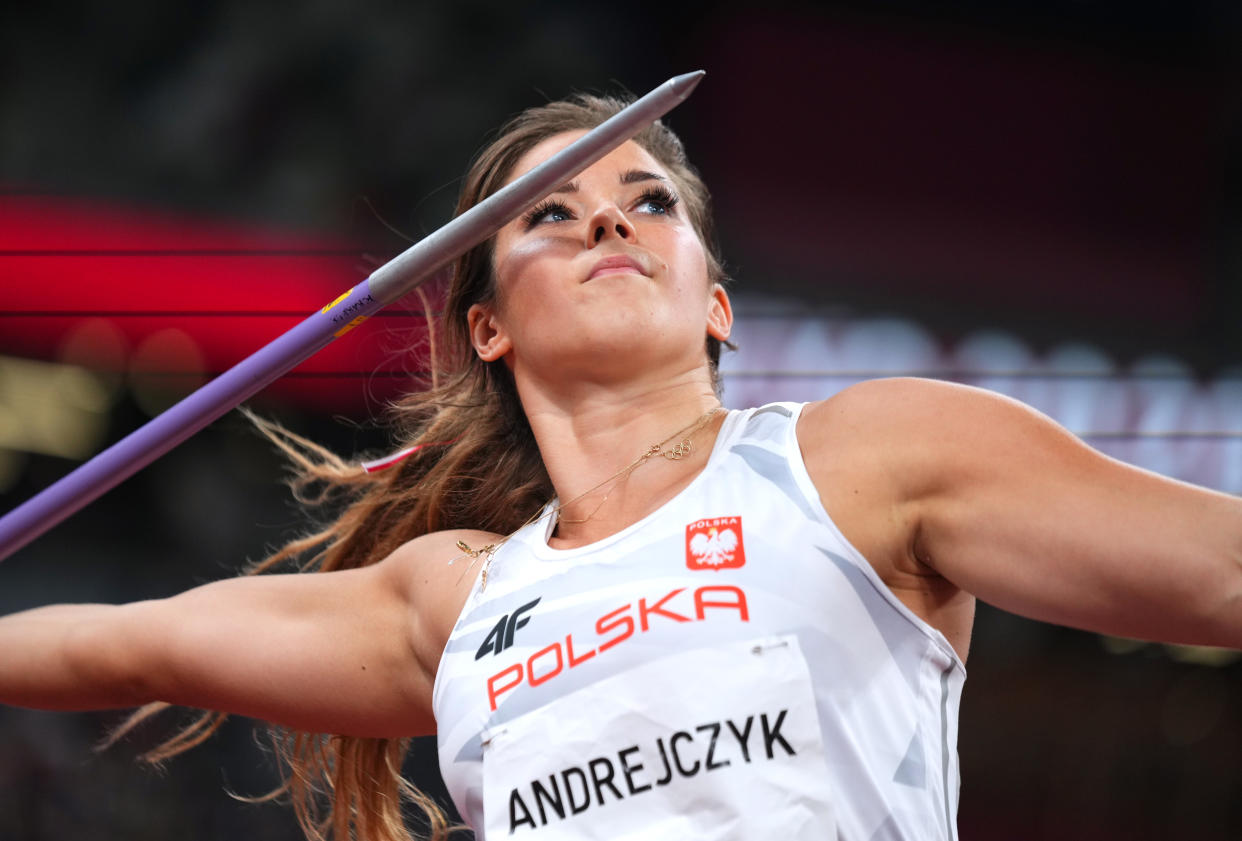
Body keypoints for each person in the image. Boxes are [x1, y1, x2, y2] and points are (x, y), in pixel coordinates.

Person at [2, 93, 1240, 841]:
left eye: (652, 203)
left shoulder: (868, 461)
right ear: (485, 324)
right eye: (548, 212)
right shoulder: (460, 596)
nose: (606, 218)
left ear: (715, 300)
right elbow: (131, 643)